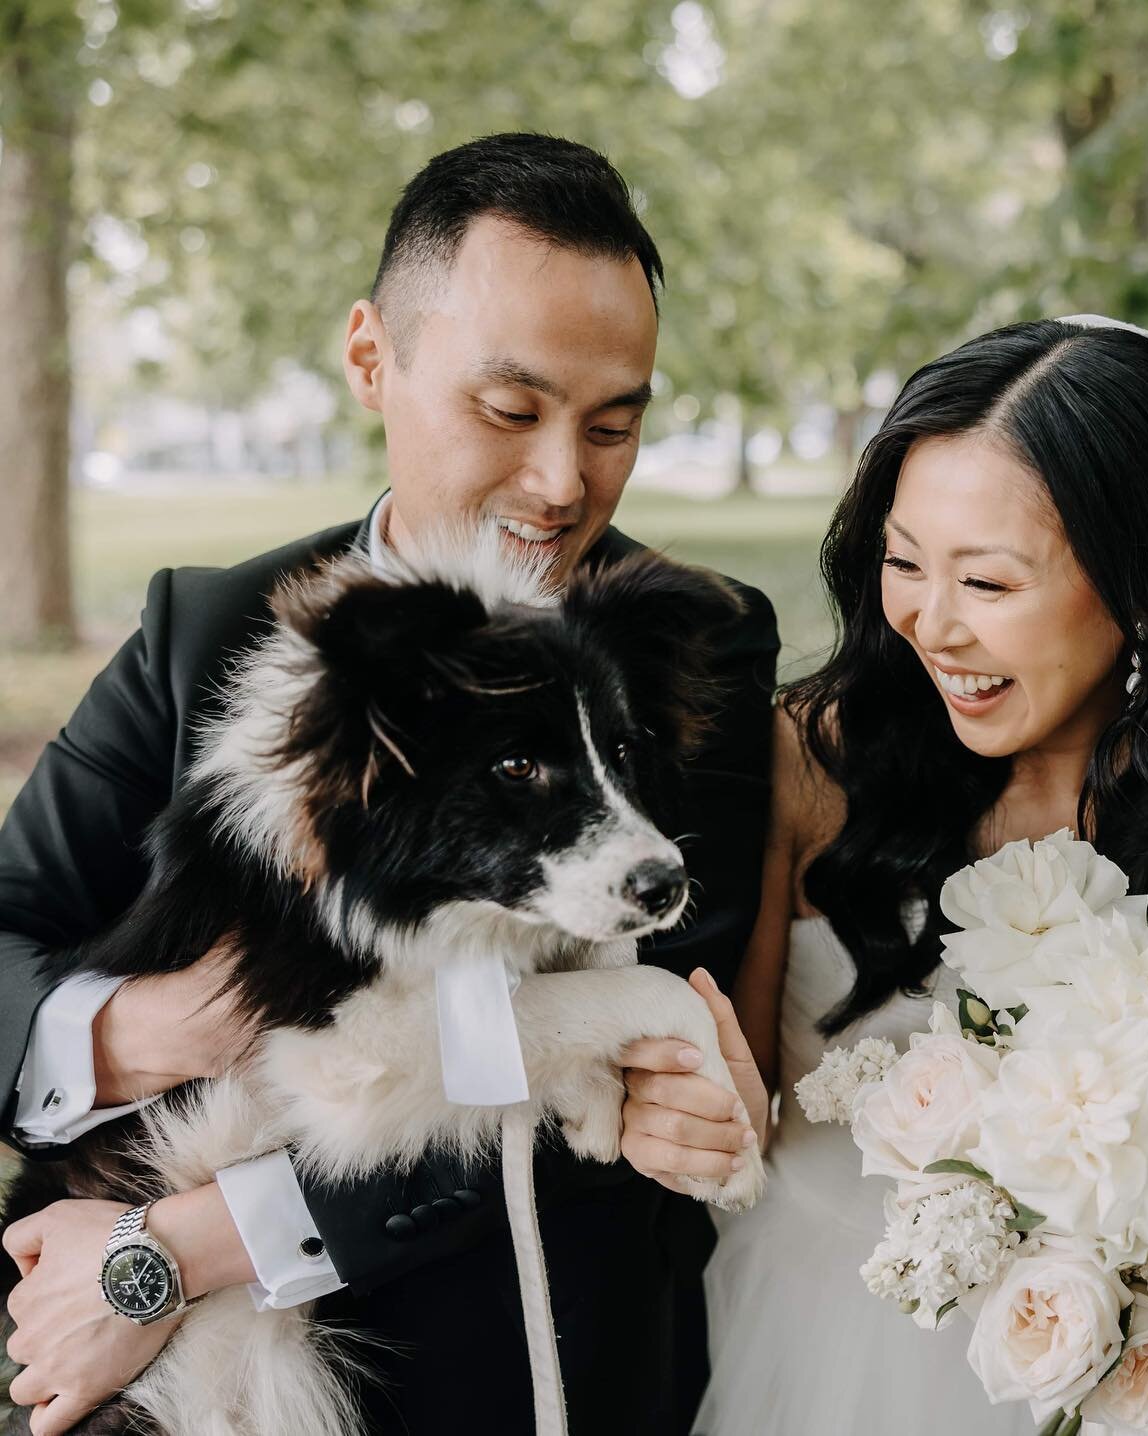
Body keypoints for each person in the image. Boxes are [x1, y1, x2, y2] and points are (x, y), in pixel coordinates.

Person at [0, 133, 777, 1436]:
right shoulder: (206, 629)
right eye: (511, 410)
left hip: (514, 1364)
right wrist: (147, 1030)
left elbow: (622, 1051)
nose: (561, 483)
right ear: (373, 357)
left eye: (613, 424)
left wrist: (167, 1255)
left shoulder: (687, 638)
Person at [620, 318, 1148, 1435]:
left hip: (1104, 1388)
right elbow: (740, 1104)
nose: (930, 623)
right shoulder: (812, 764)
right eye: (904, 562)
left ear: (1144, 586)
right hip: (812, 1354)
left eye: (989, 581)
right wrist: (696, 1112)